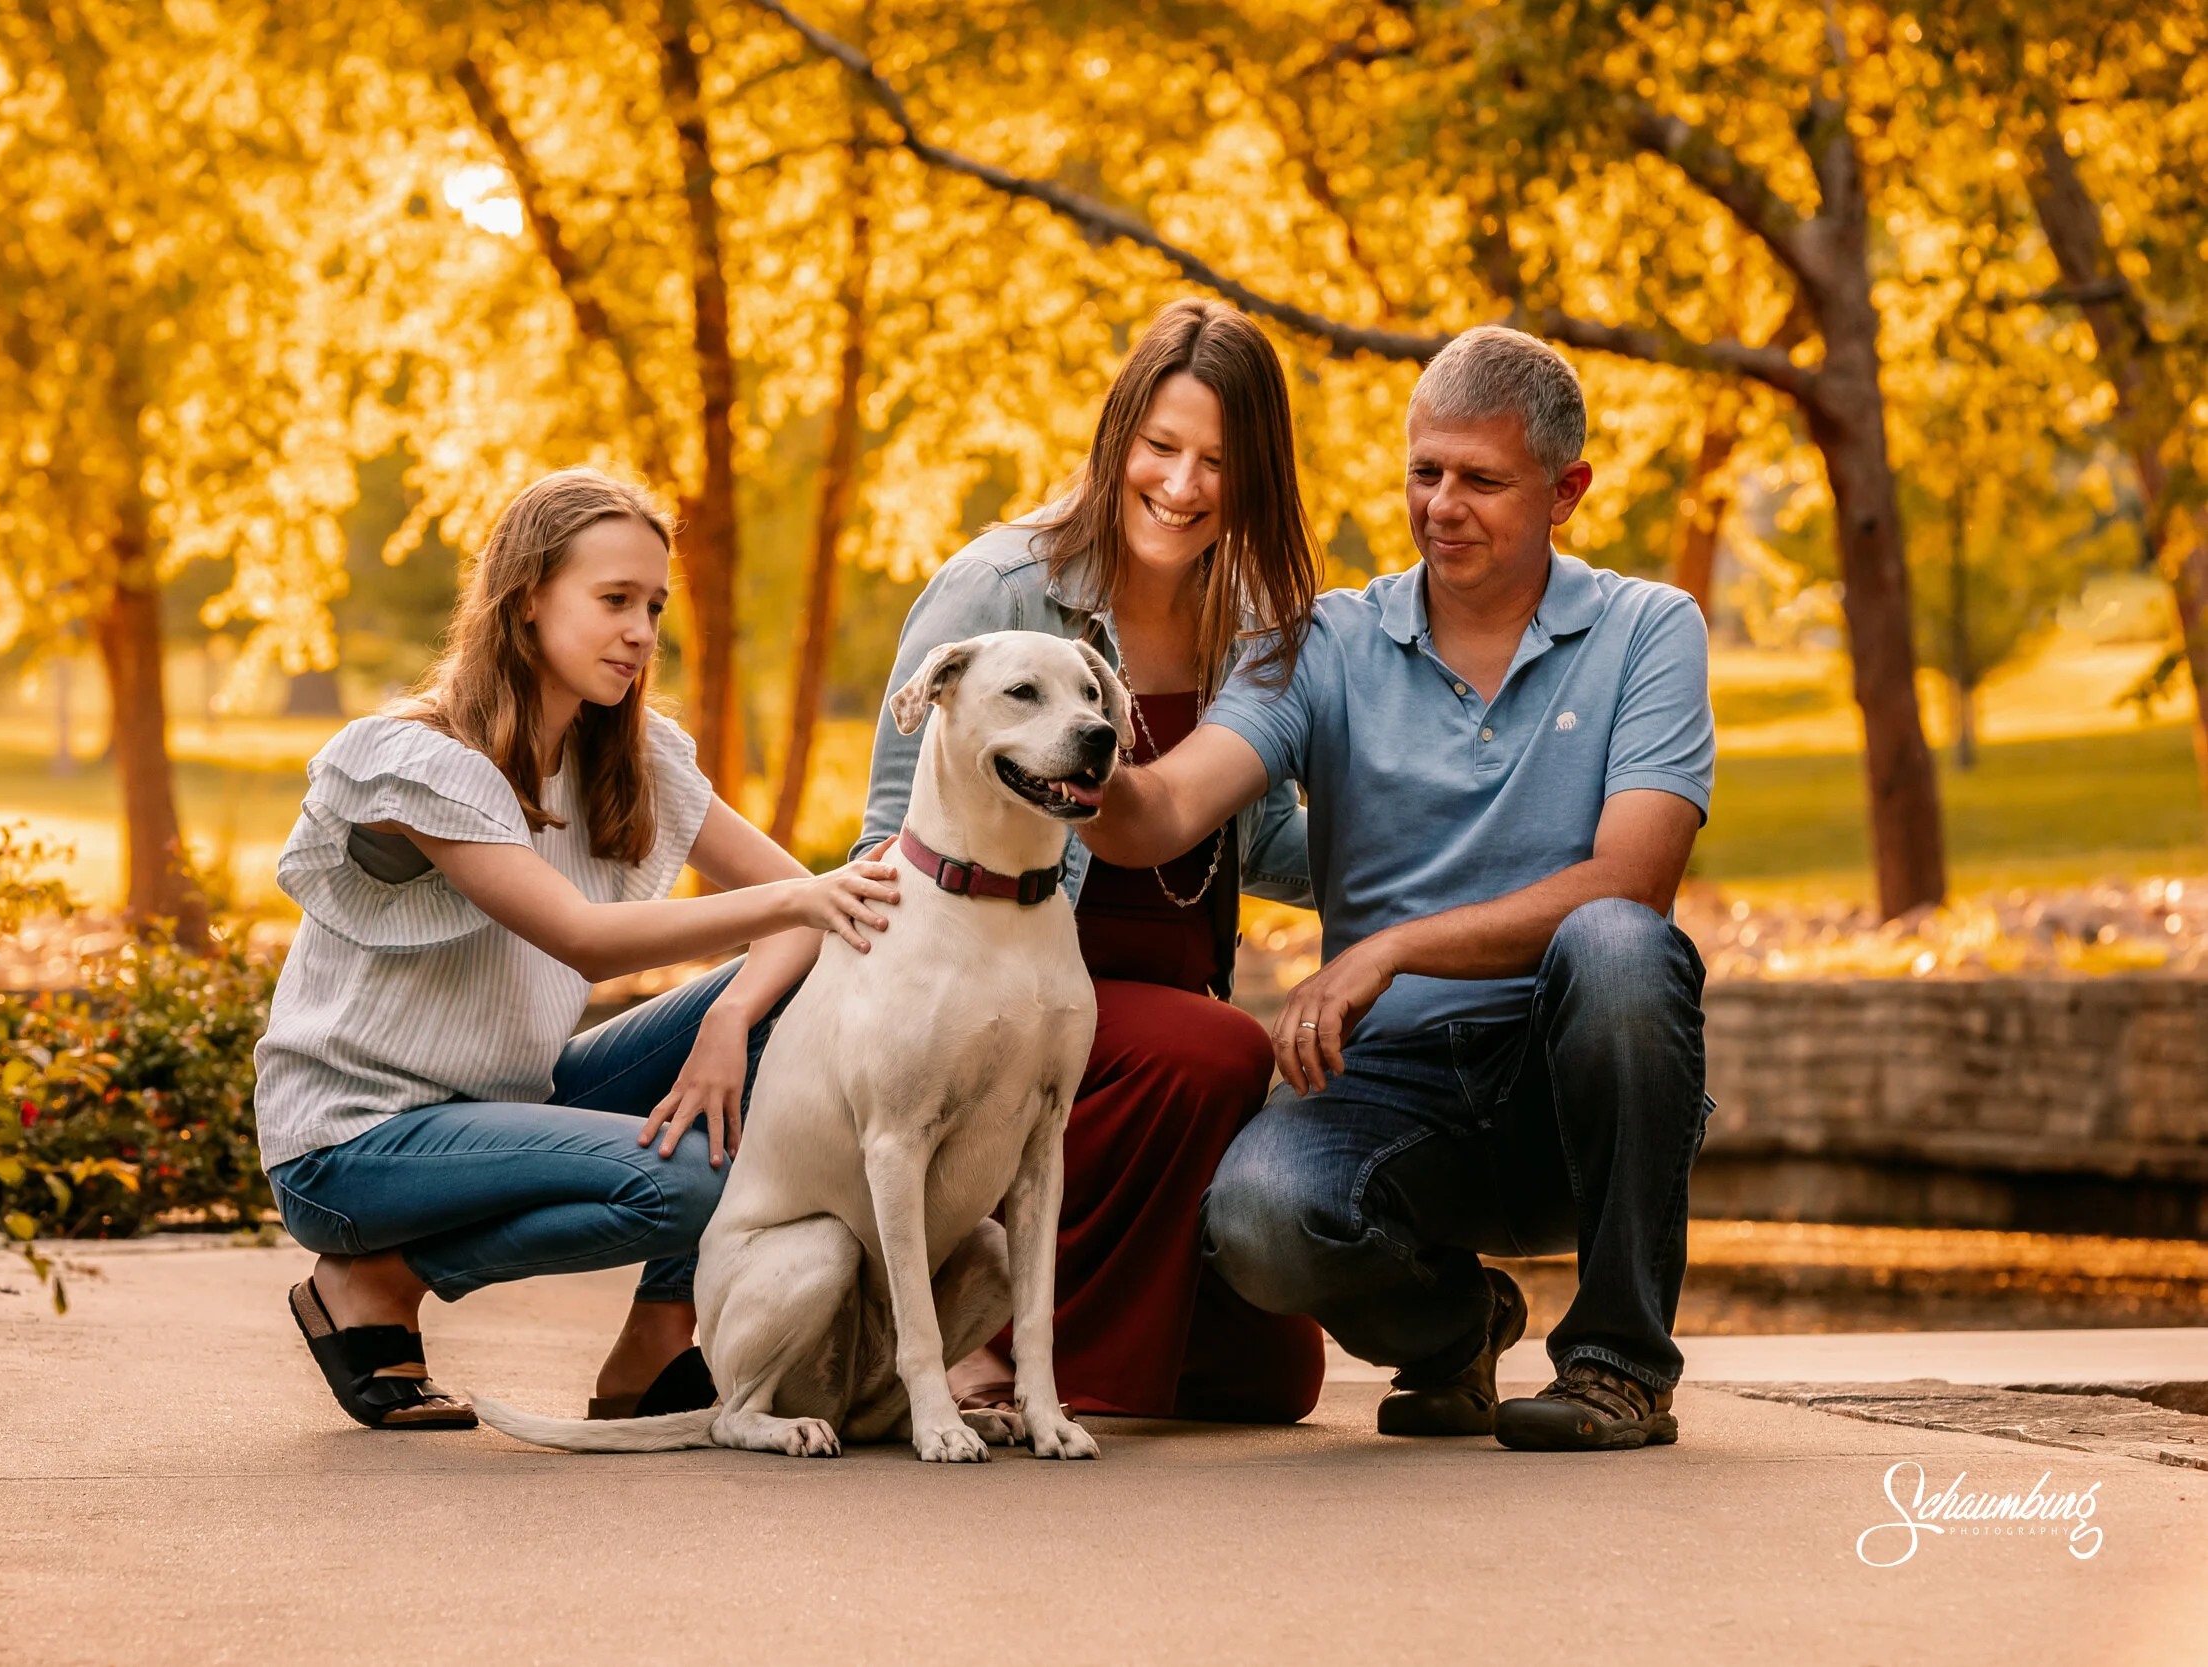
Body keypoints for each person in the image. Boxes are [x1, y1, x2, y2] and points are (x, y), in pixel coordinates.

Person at [1081, 326, 1715, 1452]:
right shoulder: (1326, 638)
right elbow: (1174, 806)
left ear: (1566, 491)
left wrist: (1388, 947)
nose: (1442, 505)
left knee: (1618, 943)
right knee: (1260, 1220)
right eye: (1425, 471)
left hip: (1566, 1092)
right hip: (1388, 1094)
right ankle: (1456, 1327)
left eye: (1483, 479)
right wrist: (1067, 764)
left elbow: (1634, 877)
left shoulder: (1645, 629)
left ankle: (1618, 1363)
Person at [253, 468, 899, 1429]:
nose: (641, 632)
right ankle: (382, 1277)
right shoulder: (421, 761)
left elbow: (806, 919)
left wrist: (729, 1013)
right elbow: (582, 938)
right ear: (525, 606)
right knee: (696, 1180)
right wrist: (800, 894)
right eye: (612, 601)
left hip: (500, 1105)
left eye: (652, 606)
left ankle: (654, 1342)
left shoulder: (626, 760)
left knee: (800, 995)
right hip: (354, 1145)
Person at [856, 298, 1328, 1422]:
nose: (1181, 484)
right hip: (998, 983)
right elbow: (888, 823)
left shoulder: (1252, 615)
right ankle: (997, 1346)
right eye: (1160, 447)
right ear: (1118, 437)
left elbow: (1259, 840)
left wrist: (1449, 851)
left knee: (1272, 1386)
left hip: (1165, 995)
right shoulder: (998, 588)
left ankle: (1084, 1343)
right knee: (1217, 1049)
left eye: (1217, 460)